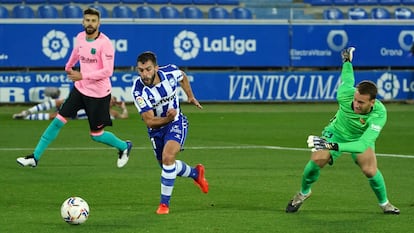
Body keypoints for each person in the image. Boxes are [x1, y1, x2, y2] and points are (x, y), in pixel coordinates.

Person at [285, 47, 400, 215]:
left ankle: (385, 204)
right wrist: (347, 62)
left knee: (370, 171)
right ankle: (303, 193)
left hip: (360, 138)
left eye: (361, 102)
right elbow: (347, 79)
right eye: (355, 99)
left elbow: (362, 145)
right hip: (336, 131)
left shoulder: (379, 114)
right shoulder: (346, 94)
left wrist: (332, 146)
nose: (356, 104)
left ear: (372, 102)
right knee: (317, 159)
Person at [16, 8, 132, 168]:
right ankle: (34, 158)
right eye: (87, 20)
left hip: (98, 95)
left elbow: (108, 71)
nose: (90, 23)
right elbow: (77, 52)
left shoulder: (105, 44)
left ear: (99, 23)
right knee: (58, 121)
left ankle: (124, 147)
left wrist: (83, 76)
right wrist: (69, 65)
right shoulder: (80, 37)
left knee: (96, 135)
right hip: (80, 89)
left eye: (93, 20)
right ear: (83, 22)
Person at [131, 51, 208, 214]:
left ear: (156, 68)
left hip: (176, 122)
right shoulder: (138, 91)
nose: (144, 74)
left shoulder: (170, 72)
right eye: (141, 70)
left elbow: (183, 76)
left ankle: (164, 205)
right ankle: (196, 173)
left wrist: (190, 96)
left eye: (148, 69)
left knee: (168, 158)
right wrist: (167, 118)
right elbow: (150, 121)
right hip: (156, 129)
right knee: (167, 166)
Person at [12, 96, 129, 120]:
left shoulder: (110, 112)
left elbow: (124, 117)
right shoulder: (98, 98)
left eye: (113, 101)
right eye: (111, 98)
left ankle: (25, 117)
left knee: (54, 117)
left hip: (76, 114)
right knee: (59, 101)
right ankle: (27, 112)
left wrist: (123, 108)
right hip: (77, 105)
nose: (111, 100)